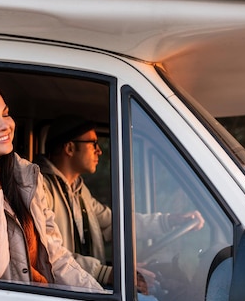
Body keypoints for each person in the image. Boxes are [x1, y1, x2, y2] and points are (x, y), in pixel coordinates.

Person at [0, 81, 102, 292]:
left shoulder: (26, 175)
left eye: (6, 114)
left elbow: (54, 255)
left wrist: (98, 296)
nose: (5, 125)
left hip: (44, 298)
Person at [35, 115, 204, 286]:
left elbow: (115, 224)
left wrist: (169, 220)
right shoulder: (40, 189)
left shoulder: (79, 190)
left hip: (86, 284)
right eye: (93, 144)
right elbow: (49, 252)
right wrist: (105, 273)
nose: (99, 151)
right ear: (70, 148)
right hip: (63, 291)